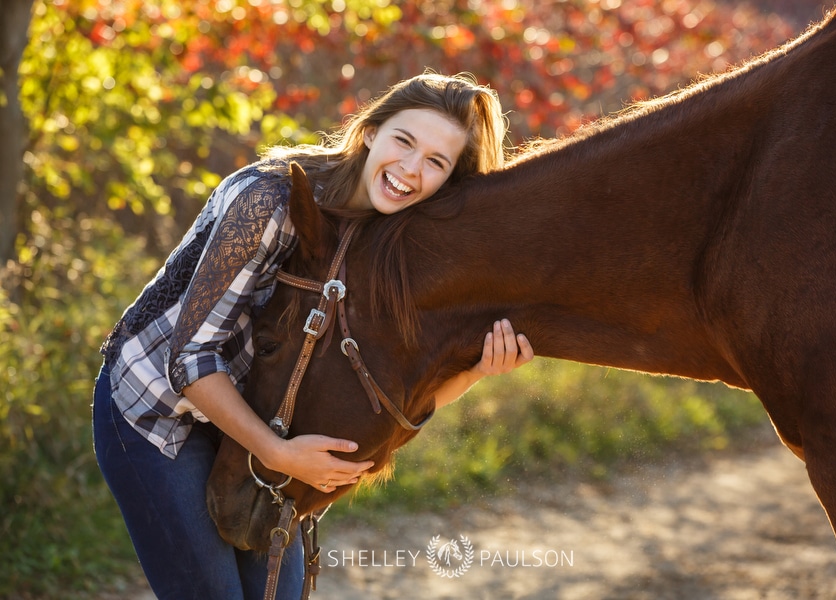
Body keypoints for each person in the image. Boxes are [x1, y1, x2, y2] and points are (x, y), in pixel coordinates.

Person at [93, 72, 534, 600]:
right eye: (404, 141)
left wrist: (476, 371)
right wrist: (278, 454)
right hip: (159, 411)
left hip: (258, 414)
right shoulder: (268, 200)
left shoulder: (391, 235)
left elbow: (386, 392)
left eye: (436, 163)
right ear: (371, 131)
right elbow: (189, 359)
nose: (411, 171)